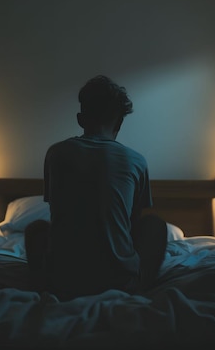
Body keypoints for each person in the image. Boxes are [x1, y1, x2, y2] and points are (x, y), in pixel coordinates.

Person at [25, 75, 167, 300]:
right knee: (154, 225)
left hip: (62, 281)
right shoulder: (136, 161)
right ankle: (141, 288)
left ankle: (42, 283)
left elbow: (59, 212)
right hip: (119, 282)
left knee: (36, 229)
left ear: (80, 119)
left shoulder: (56, 153)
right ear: (119, 123)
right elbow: (132, 221)